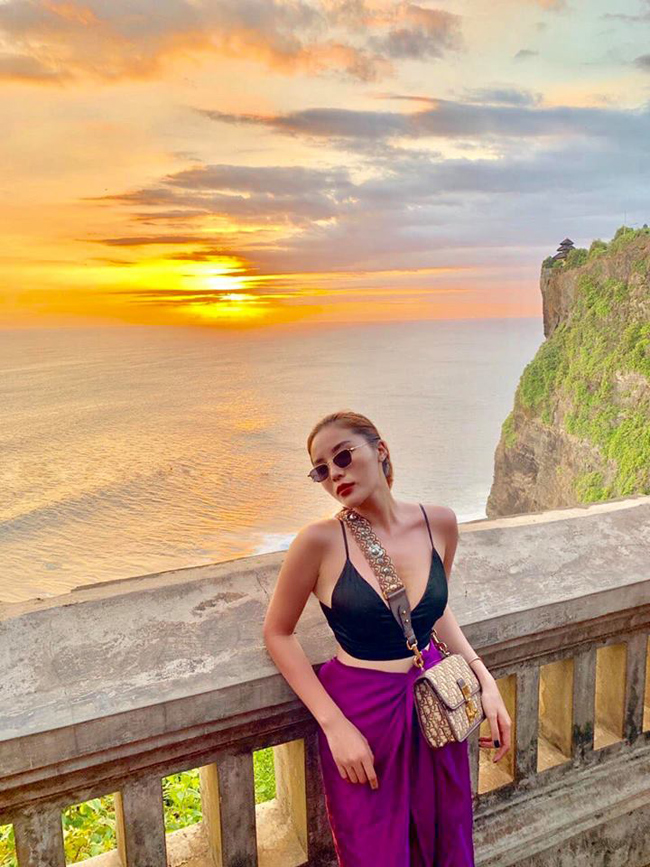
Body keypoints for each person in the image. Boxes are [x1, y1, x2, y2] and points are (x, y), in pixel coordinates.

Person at [263, 410, 511, 866]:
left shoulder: (440, 523)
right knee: (378, 853)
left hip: (435, 707)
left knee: (447, 838)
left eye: (342, 456)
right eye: (321, 470)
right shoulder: (319, 542)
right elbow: (277, 633)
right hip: (363, 718)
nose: (335, 473)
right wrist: (334, 726)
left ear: (380, 451)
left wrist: (484, 679)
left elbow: (432, 613)